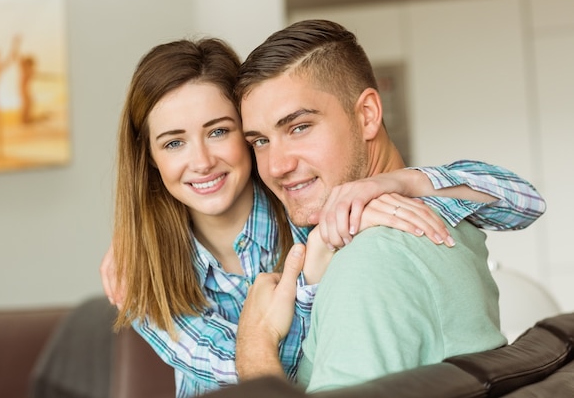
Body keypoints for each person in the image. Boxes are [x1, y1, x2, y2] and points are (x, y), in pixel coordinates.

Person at [102, 36, 545, 398]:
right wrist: (311, 274)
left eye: (219, 131)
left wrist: (401, 182)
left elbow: (524, 202)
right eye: (173, 143)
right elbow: (258, 377)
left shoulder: (309, 205)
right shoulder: (140, 273)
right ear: (150, 160)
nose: (201, 161)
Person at [233, 19, 546, 393]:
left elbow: (525, 199)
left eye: (299, 127)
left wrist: (254, 353)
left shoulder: (373, 260)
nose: (276, 166)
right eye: (260, 141)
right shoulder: (437, 218)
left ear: (367, 114)